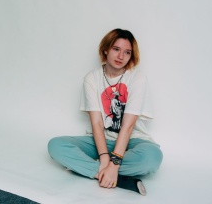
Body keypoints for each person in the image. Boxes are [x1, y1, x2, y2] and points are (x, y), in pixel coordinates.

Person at [47, 28, 162, 195]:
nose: (121, 56)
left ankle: (92, 169)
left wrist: (114, 163)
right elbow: (97, 122)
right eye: (116, 49)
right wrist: (104, 157)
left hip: (132, 140)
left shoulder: (137, 78)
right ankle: (112, 176)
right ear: (106, 49)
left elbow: (128, 126)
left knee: (152, 157)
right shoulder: (92, 78)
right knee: (56, 145)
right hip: (101, 140)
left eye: (127, 52)